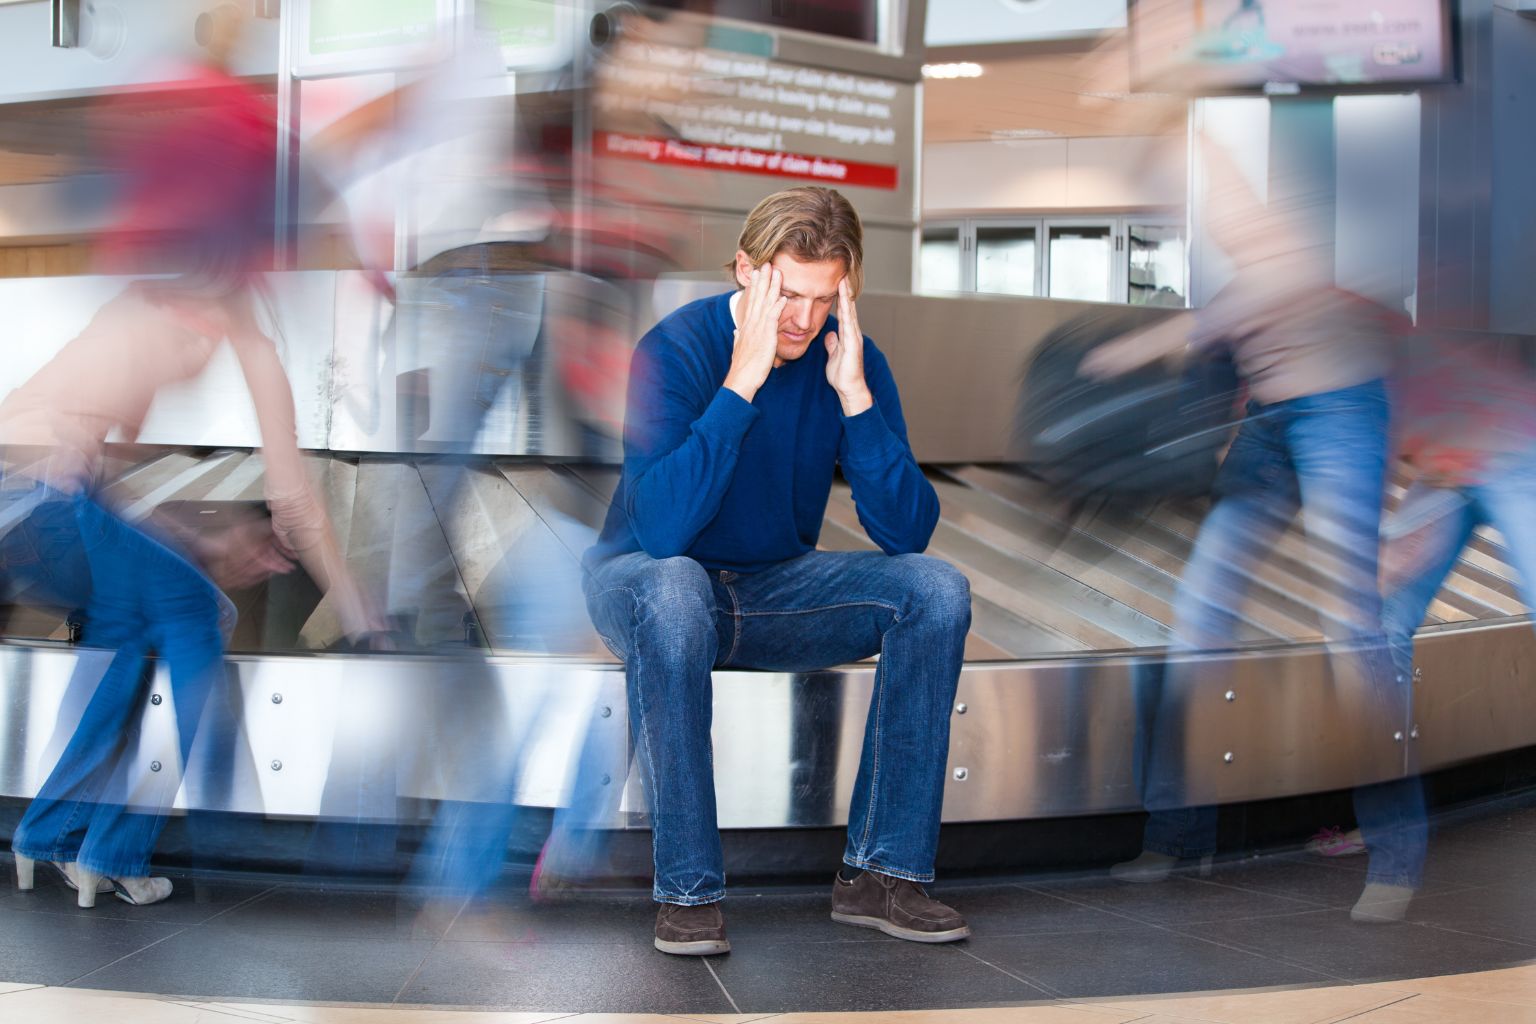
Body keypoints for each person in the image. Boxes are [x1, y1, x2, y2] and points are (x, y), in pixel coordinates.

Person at [1, 6, 384, 908]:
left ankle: (53, 834)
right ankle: (124, 848)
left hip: (28, 502)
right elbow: (297, 501)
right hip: (38, 495)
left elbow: (95, 473)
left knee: (133, 633)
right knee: (198, 617)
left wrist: (201, 539)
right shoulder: (225, 314)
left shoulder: (150, 294)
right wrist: (360, 610)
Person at [582, 186, 972, 955]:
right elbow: (662, 531)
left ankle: (882, 873)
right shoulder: (675, 348)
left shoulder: (846, 359)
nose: (801, 319)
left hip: (769, 591)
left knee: (936, 591)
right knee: (675, 588)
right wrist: (742, 383)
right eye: (786, 294)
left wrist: (855, 399)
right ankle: (688, 890)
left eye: (824, 299)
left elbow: (907, 531)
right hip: (645, 582)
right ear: (745, 271)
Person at [1082, 138, 1407, 917]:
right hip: (1270, 420)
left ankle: (1395, 854)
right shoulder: (1228, 235)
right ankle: (1180, 836)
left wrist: (1144, 345)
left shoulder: (1289, 233)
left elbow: (1264, 295)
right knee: (1197, 622)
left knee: (1353, 625)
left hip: (1340, 411)